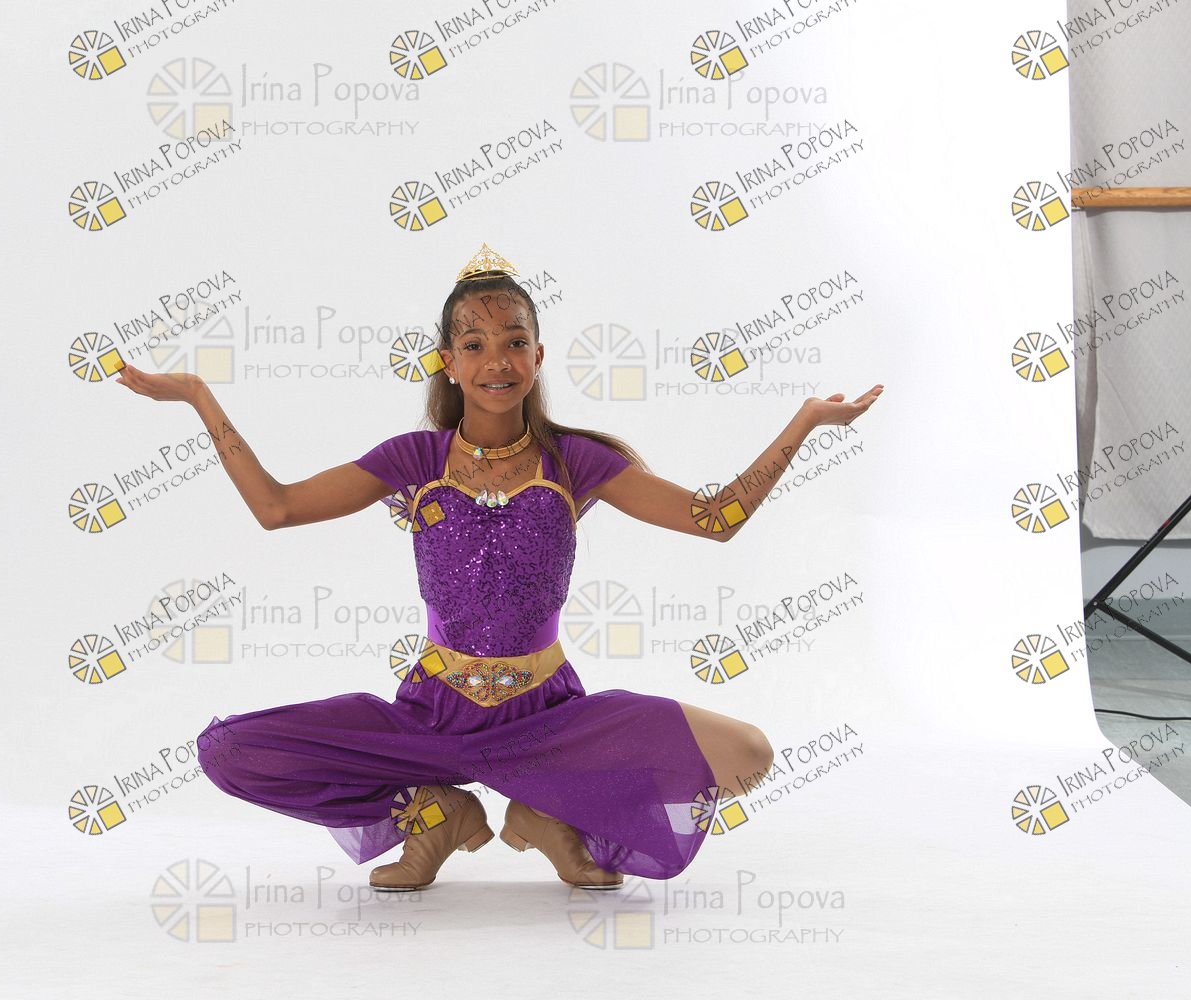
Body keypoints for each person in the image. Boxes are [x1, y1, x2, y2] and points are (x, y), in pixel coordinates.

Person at [116, 243, 883, 892]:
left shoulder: (576, 463)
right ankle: (436, 813)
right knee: (230, 751)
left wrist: (807, 422)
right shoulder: (414, 460)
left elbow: (715, 520)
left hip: (548, 720)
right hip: (431, 717)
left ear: (538, 357)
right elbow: (276, 507)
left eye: (514, 341)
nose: (497, 360)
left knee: (748, 754)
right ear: (447, 362)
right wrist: (197, 397)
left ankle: (545, 810)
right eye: (476, 344)